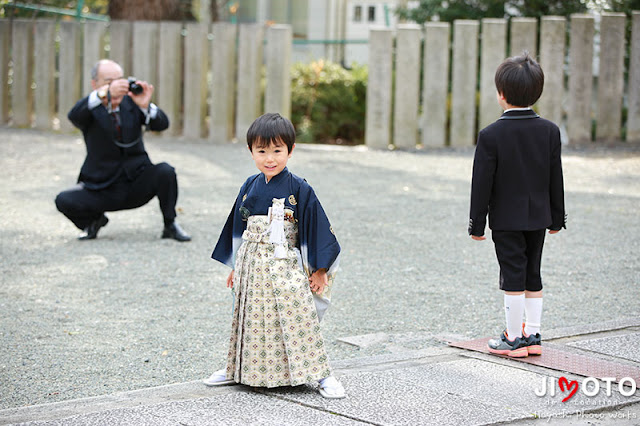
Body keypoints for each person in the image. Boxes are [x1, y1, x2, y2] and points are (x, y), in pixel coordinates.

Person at [203, 113, 345, 399]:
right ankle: (239, 370)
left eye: (277, 150)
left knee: (298, 316)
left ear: (291, 151)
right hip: (251, 262)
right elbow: (237, 225)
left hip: (284, 262)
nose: (270, 158)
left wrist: (319, 270)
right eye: (262, 151)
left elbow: (316, 227)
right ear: (251, 152)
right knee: (250, 318)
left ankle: (321, 375)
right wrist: (234, 265)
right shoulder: (249, 186)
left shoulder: (300, 188)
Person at [468, 52, 566, 358]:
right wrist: (557, 218)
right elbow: (556, 177)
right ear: (537, 92)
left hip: (506, 220)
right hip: (539, 216)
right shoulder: (549, 131)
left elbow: (481, 184)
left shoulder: (491, 135)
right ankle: (532, 335)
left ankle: (512, 338)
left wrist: (476, 224)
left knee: (512, 274)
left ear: (501, 95)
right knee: (532, 273)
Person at [55, 59, 191, 242]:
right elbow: (74, 115)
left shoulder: (131, 103)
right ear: (95, 84)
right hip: (102, 187)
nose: (117, 86)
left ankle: (170, 224)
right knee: (63, 200)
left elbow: (162, 123)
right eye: (109, 81)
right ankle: (94, 221)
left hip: (136, 181)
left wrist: (145, 106)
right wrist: (105, 94)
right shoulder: (90, 108)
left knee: (165, 171)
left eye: (119, 80)